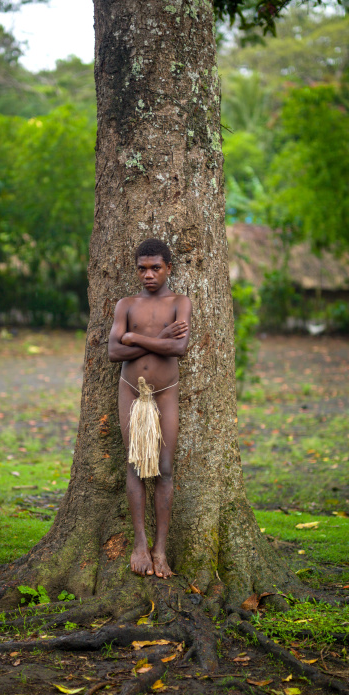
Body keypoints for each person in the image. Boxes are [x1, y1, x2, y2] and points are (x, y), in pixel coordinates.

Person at [108, 239, 192, 579]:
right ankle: (140, 544)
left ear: (169, 268)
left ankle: (160, 549)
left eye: (155, 267)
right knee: (135, 465)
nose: (148, 274)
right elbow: (114, 352)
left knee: (164, 467)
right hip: (132, 392)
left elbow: (180, 348)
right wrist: (159, 338)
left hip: (165, 394)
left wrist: (135, 338)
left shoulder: (180, 303)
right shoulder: (126, 305)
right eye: (142, 268)